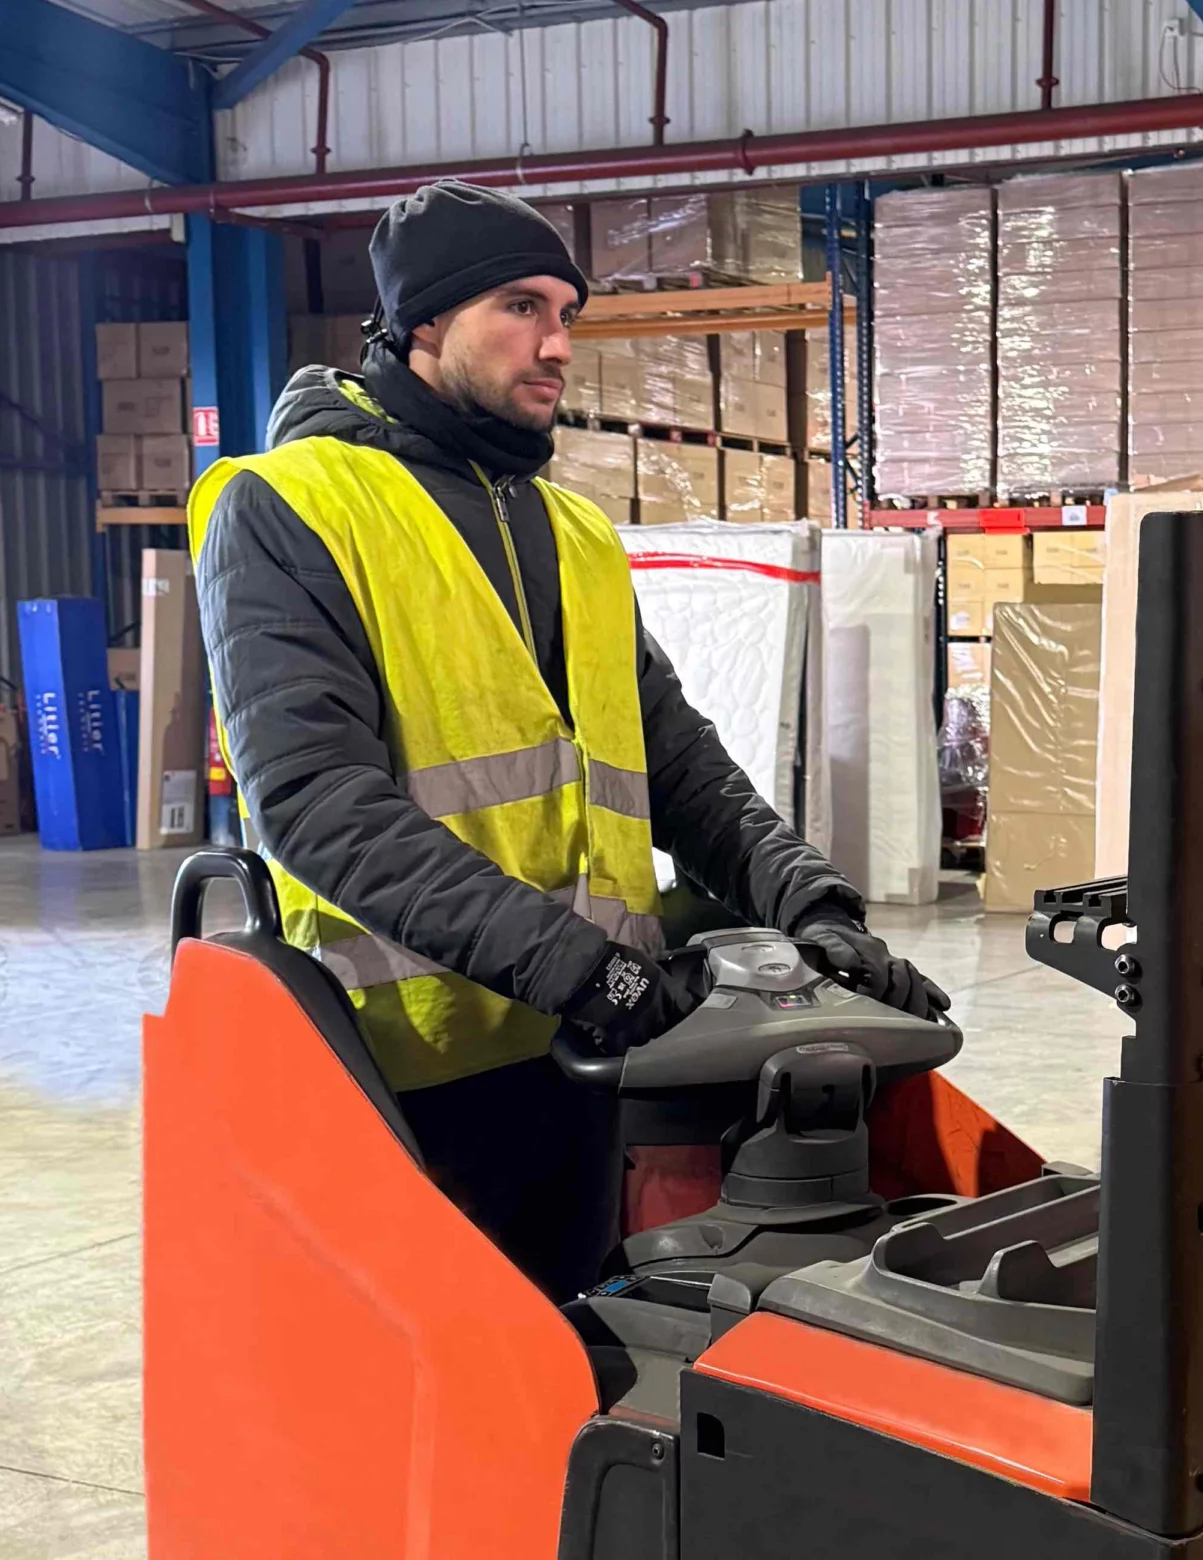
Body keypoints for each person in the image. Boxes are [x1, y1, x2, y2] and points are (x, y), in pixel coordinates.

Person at [189, 179, 946, 1298]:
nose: (556, 345)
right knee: (461, 1367)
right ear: (422, 321)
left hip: (588, 1045)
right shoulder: (288, 504)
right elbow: (316, 803)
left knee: (581, 1336)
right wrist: (585, 971)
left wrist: (810, 903)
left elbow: (676, 760)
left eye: (567, 314)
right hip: (411, 1063)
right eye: (520, 307)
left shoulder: (575, 530)